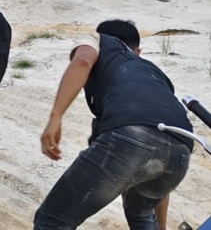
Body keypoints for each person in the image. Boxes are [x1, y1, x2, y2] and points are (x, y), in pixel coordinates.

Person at [34, 19, 192, 230]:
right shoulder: (154, 74)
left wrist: (56, 117)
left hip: (131, 136)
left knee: (52, 220)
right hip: (181, 151)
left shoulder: (99, 40)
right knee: (141, 212)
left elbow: (82, 61)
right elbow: (157, 157)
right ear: (138, 51)